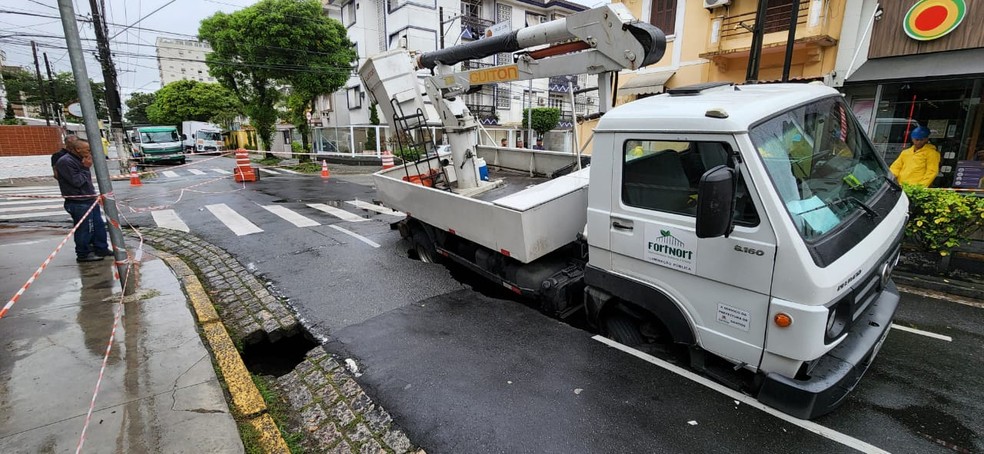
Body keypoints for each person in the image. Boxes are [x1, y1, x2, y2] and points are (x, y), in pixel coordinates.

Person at [55, 139, 111, 263]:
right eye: (87, 149)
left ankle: (101, 248)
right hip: (78, 201)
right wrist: (85, 168)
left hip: (89, 199)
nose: (90, 152)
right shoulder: (66, 162)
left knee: (98, 225)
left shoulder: (79, 159)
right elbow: (77, 181)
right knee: (85, 229)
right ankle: (83, 253)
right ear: (78, 149)